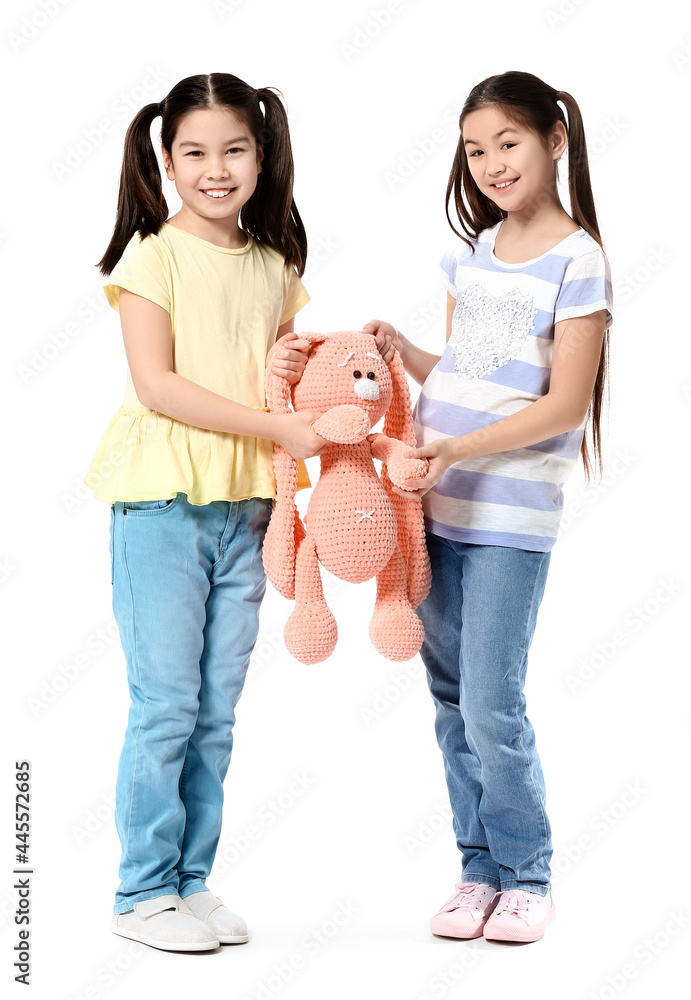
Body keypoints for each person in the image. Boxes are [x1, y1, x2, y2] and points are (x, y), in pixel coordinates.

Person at [365, 70, 613, 944]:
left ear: (553, 138)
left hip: (508, 516)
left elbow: (562, 406)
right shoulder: (470, 256)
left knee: (490, 704)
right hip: (432, 510)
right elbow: (467, 375)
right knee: (447, 695)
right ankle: (476, 871)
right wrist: (405, 354)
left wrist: (455, 452)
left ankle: (527, 872)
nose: (491, 164)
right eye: (475, 150)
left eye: (507, 142)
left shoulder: (577, 261)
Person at [83, 72, 326, 953]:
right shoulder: (152, 256)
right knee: (166, 703)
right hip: (161, 503)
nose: (215, 169)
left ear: (263, 156)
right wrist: (277, 421)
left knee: (217, 707)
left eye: (235, 150)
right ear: (166, 159)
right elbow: (160, 385)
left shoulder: (274, 267)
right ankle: (140, 892)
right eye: (195, 152)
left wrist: (311, 366)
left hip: (248, 507)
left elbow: (271, 377)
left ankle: (189, 880)